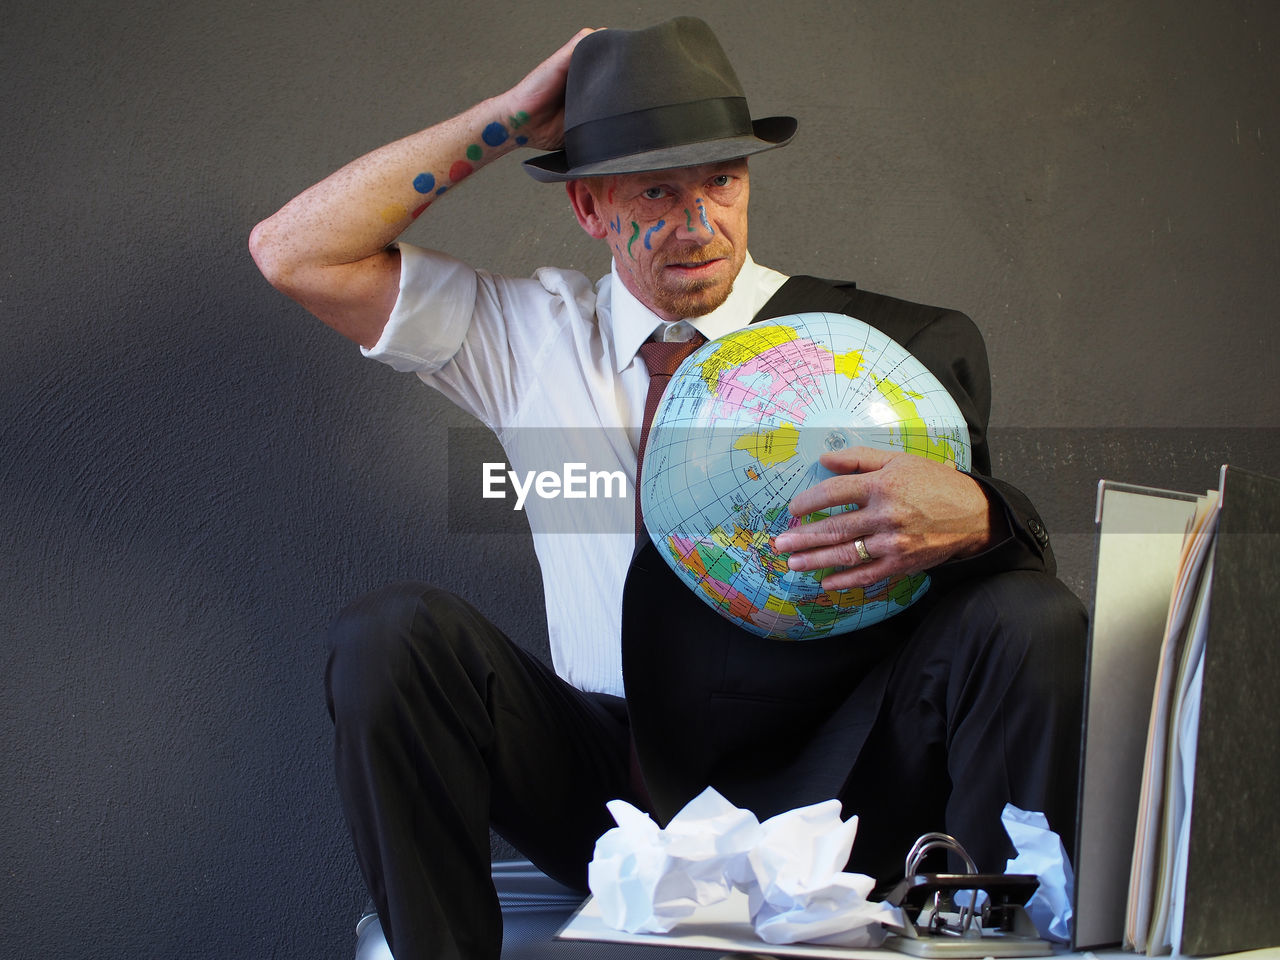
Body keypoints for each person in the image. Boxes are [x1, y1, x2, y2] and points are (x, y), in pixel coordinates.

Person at [250, 17, 1087, 960]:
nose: (700, 225)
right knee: (389, 636)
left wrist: (980, 516)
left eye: (722, 182)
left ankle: (990, 943)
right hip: (620, 791)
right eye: (656, 190)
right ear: (591, 209)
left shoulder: (872, 352)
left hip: (844, 780)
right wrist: (506, 122)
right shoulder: (526, 339)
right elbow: (295, 253)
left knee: (1030, 615)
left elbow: (990, 595)